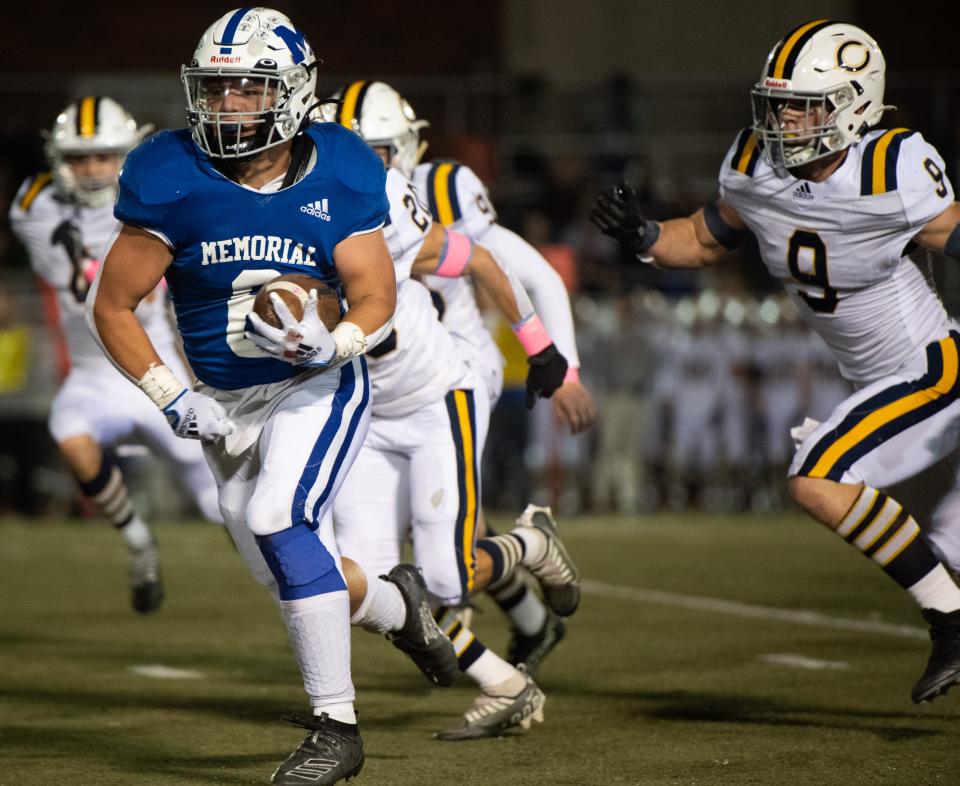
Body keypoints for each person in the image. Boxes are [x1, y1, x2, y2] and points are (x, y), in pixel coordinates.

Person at [86, 9, 454, 786]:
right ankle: (400, 607)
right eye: (216, 92)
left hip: (314, 382)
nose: (228, 108)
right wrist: (171, 397)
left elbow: (375, 294)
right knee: (286, 569)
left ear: (291, 93)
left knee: (277, 519)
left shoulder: (342, 167)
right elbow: (113, 306)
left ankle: (337, 730)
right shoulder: (168, 174)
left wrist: (338, 343)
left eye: (248, 91)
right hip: (223, 400)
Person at [592, 19, 960, 703]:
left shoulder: (892, 166)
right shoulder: (755, 164)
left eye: (804, 104)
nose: (785, 118)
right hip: (875, 382)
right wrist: (642, 235)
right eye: (779, 102)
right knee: (944, 547)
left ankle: (949, 623)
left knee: (816, 477)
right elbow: (703, 240)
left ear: (854, 102)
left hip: (931, 370)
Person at [324, 79, 592, 674]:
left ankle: (488, 603)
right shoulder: (323, 200)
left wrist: (556, 359)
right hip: (380, 384)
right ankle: (523, 623)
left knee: (444, 553)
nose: (366, 162)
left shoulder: (436, 191)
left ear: (405, 148)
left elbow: (522, 270)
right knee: (422, 542)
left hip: (458, 366)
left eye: (380, 151)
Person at [9, 96, 221, 614]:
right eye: (81, 157)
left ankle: (294, 584)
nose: (93, 168)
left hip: (153, 365)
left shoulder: (157, 198)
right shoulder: (32, 206)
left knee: (226, 505)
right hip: (90, 371)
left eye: (104, 156)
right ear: (59, 158)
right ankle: (137, 541)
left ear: (125, 154)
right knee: (70, 435)